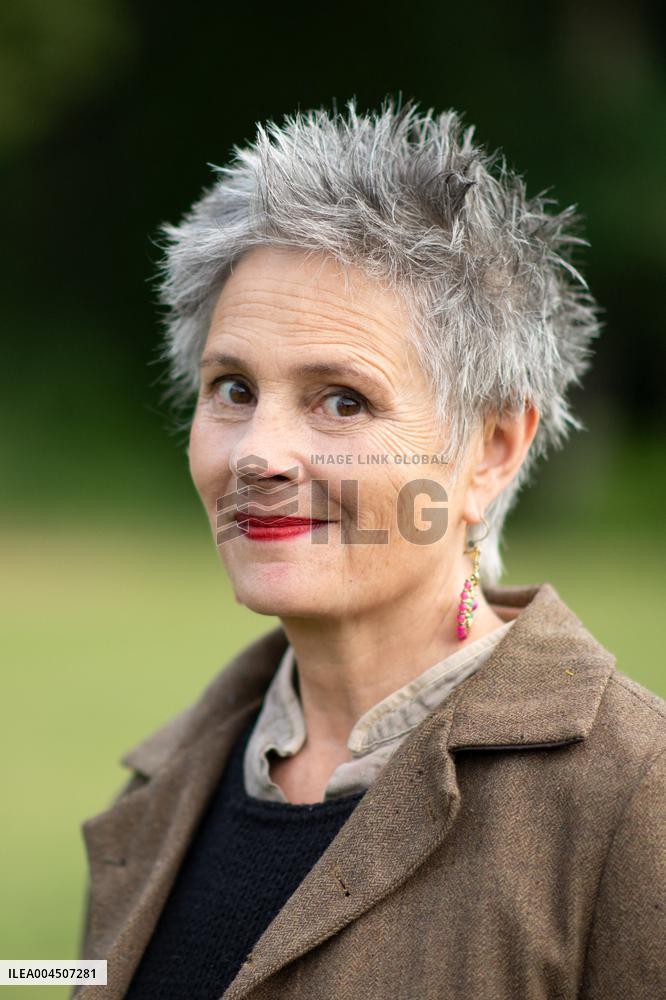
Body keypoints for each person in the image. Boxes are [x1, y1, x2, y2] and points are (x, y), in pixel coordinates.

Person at [73, 96, 666, 1000]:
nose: (259, 453)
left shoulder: (634, 803)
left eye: (341, 400)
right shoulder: (158, 793)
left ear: (493, 450)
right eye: (231, 387)